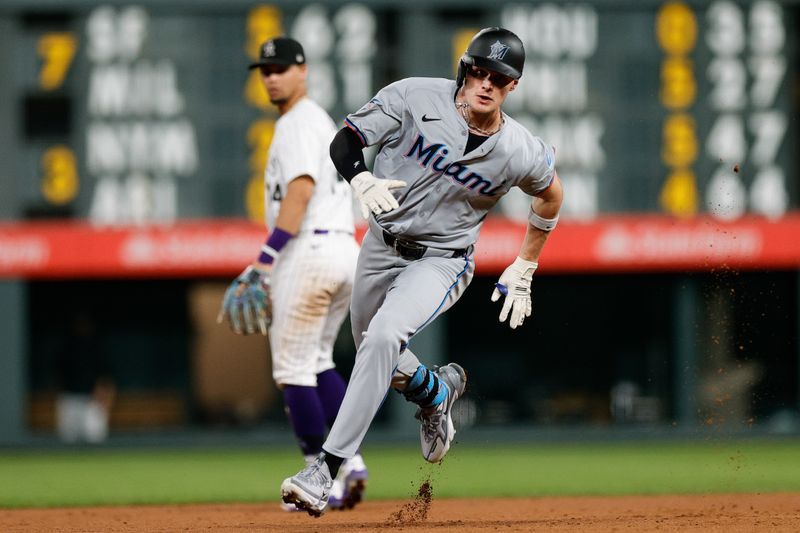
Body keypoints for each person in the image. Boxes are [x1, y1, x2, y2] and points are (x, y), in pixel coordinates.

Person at [280, 27, 564, 517]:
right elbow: (345, 140)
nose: (486, 82)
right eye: (478, 70)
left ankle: (325, 469)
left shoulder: (518, 148)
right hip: (379, 245)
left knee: (384, 336)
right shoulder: (413, 96)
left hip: (442, 259)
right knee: (377, 346)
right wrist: (361, 176)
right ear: (464, 68)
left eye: (499, 77)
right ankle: (437, 392)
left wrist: (526, 264)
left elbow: (551, 195)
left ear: (512, 86)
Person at [217, 36, 367, 511]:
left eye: (281, 68)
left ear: (303, 71)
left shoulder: (298, 122)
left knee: (291, 369)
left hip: (309, 249)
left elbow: (299, 191)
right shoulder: (314, 120)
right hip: (343, 248)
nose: (271, 76)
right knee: (319, 359)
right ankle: (351, 462)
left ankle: (318, 474)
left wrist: (265, 258)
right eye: (265, 69)